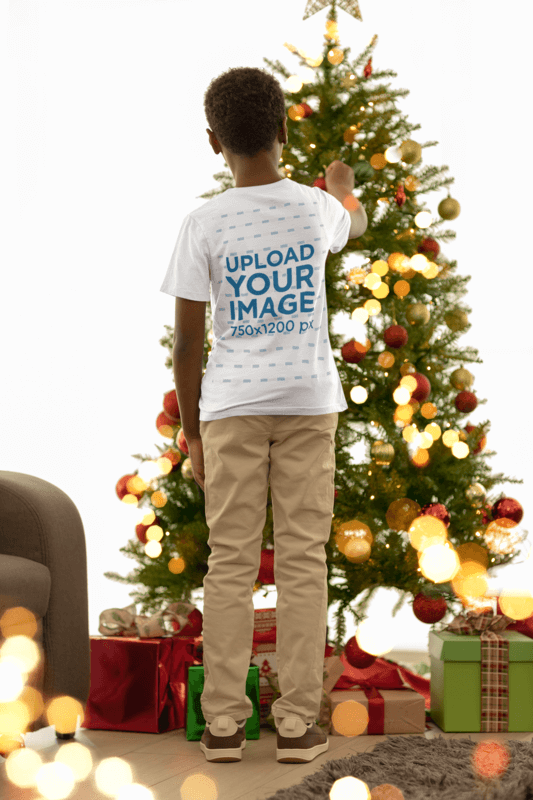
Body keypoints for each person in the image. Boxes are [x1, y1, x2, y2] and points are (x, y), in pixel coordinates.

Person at [159, 66, 367, 760]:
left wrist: (190, 431)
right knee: (303, 561)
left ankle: (223, 725)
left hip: (230, 410)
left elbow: (188, 341)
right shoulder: (313, 208)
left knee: (231, 564)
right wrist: (340, 187)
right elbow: (354, 221)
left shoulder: (204, 222)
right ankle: (297, 724)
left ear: (214, 141)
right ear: (282, 130)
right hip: (308, 404)